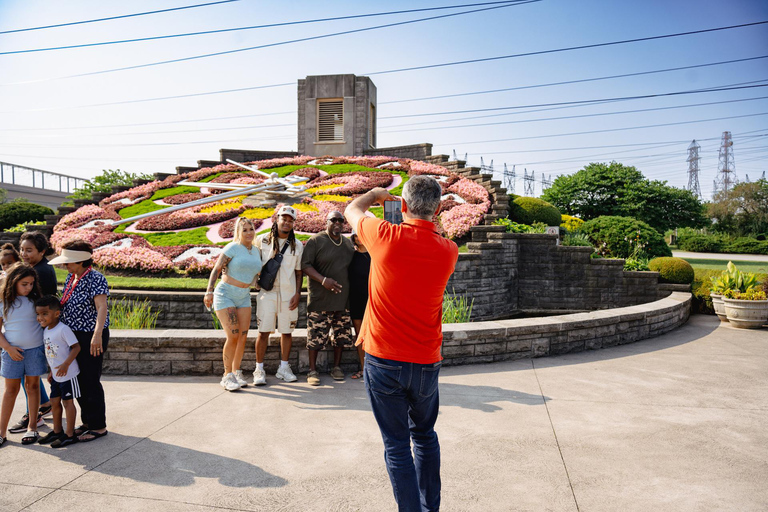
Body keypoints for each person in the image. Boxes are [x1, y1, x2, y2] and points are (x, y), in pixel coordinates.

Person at [344, 176, 459, 512]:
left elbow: (352, 209)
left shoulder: (384, 235)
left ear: (403, 206)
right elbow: (431, 233)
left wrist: (375, 194)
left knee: (396, 445)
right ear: (437, 209)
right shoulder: (448, 251)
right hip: (425, 361)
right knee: (424, 436)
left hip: (384, 359)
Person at [50, 240, 110, 443]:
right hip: (74, 335)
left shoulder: (96, 278)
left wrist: (97, 335)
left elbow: (102, 307)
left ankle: (98, 426)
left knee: (90, 379)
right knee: (77, 378)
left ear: (81, 260)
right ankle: (87, 422)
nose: (65, 266)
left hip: (90, 335)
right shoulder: (71, 278)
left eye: (69, 262)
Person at [204, 217, 262, 391]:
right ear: (238, 232)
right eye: (244, 230)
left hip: (244, 295)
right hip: (226, 293)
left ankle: (236, 372)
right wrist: (209, 291)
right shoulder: (233, 248)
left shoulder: (256, 251)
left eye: (251, 228)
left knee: (243, 335)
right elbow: (217, 268)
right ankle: (226, 375)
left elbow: (255, 276)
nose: (249, 232)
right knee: (233, 335)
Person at [9, 232, 56, 433]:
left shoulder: (40, 272)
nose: (24, 254)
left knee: (28, 376)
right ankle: (43, 405)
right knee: (29, 375)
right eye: (22, 249)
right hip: (35, 329)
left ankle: (33, 414)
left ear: (42, 251)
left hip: (37, 330)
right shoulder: (37, 268)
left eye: (29, 250)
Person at [300, 211, 355, 386]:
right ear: (327, 222)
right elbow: (305, 265)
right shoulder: (316, 241)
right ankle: (312, 370)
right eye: (334, 220)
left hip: (342, 301)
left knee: (341, 337)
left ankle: (336, 367)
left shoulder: (347, 244)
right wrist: (323, 280)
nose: (337, 223)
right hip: (320, 300)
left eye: (341, 220)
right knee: (316, 337)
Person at [253, 206, 302, 385]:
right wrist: (254, 282)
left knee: (286, 331)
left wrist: (298, 293)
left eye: (290, 220)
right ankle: (259, 369)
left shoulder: (298, 245)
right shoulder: (263, 240)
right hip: (268, 293)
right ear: (277, 219)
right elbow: (253, 263)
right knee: (263, 331)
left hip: (288, 293)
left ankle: (284, 367)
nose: (287, 222)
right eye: (284, 219)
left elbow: (298, 272)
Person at [0, 264, 45, 447]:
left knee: (33, 387)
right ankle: (1, 432)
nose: (29, 288)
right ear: (13, 282)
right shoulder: (3, 303)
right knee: (10, 391)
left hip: (35, 351)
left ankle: (32, 427)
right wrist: (8, 348)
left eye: (31, 284)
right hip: (11, 352)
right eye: (24, 284)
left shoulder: (36, 301)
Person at [35, 295, 81, 448]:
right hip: (56, 375)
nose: (40, 317)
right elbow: (52, 353)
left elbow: (76, 347)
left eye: (44, 314)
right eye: (38, 314)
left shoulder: (63, 329)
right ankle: (57, 431)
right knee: (54, 401)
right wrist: (51, 371)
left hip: (68, 374)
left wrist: (66, 365)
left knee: (67, 402)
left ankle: (70, 435)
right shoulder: (46, 330)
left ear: (56, 313)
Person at [348, 230, 371, 380]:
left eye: (362, 234)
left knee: (373, 335)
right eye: (356, 235)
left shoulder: (375, 256)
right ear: (353, 238)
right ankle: (363, 368)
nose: (359, 238)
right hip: (355, 299)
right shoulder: (351, 256)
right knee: (359, 335)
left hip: (372, 300)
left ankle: (373, 370)